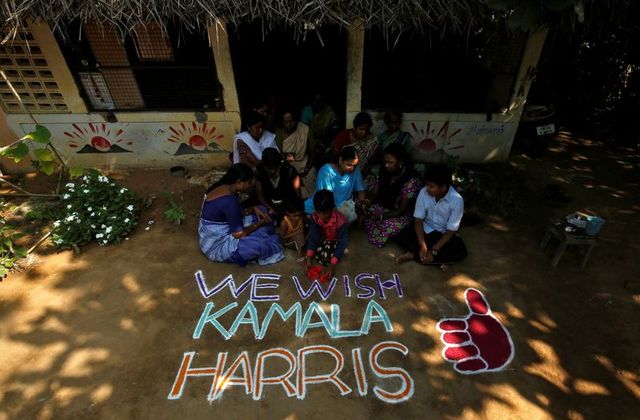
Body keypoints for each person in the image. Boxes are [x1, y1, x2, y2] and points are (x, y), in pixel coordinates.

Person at [198, 163, 284, 266]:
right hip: (215, 245)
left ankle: (264, 233)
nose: (251, 185)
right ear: (239, 182)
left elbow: (231, 214)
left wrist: (253, 208)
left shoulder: (225, 187)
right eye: (249, 182)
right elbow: (239, 234)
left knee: (262, 210)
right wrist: (259, 224)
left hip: (225, 228)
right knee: (259, 246)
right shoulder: (229, 201)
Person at [395, 164, 467, 270]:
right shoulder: (423, 192)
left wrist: (434, 250)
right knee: (402, 235)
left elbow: (450, 231)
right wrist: (423, 246)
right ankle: (437, 259)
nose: (427, 188)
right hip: (424, 228)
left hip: (441, 233)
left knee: (461, 251)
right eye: (427, 184)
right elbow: (418, 220)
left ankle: (413, 254)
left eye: (431, 186)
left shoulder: (457, 200)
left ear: (443, 187)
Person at [363, 143, 422, 247]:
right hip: (384, 206)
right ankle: (379, 229)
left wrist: (381, 216)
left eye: (390, 162)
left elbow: (402, 209)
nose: (386, 165)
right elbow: (374, 193)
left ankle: (381, 230)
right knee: (365, 213)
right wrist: (367, 203)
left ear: (400, 162)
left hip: (401, 213)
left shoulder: (411, 180)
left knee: (385, 225)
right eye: (385, 162)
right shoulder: (383, 171)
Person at [305, 146, 366, 223]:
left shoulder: (355, 170)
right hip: (326, 206)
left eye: (355, 165)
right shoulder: (326, 172)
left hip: (344, 206)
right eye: (349, 165)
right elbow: (325, 200)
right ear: (340, 160)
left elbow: (361, 192)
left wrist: (361, 208)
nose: (352, 168)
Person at [305, 189, 349, 280]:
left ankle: (331, 258)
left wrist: (332, 266)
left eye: (325, 213)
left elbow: (342, 242)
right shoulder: (315, 217)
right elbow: (314, 236)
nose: (321, 216)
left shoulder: (341, 222)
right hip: (324, 237)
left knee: (326, 259)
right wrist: (308, 258)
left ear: (332, 209)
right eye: (318, 212)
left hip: (335, 240)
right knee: (310, 246)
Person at [275, 109, 316, 198]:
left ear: (296, 120)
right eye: (286, 122)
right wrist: (292, 163)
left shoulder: (305, 130)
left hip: (304, 163)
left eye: (291, 121)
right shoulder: (278, 133)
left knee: (312, 175)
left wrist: (306, 169)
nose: (289, 125)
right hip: (286, 164)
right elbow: (279, 156)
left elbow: (312, 152)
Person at [302, 93, 339, 167]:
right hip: (309, 140)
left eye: (320, 100)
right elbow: (303, 129)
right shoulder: (307, 110)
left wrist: (323, 140)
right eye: (315, 100)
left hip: (325, 140)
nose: (318, 103)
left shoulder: (329, 113)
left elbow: (334, 131)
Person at [278, 197, 306, 262]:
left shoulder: (301, 217)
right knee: (299, 235)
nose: (298, 218)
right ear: (288, 213)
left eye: (299, 215)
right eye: (295, 216)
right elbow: (282, 237)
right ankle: (299, 255)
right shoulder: (284, 223)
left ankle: (303, 247)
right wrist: (296, 232)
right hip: (288, 241)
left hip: (299, 239)